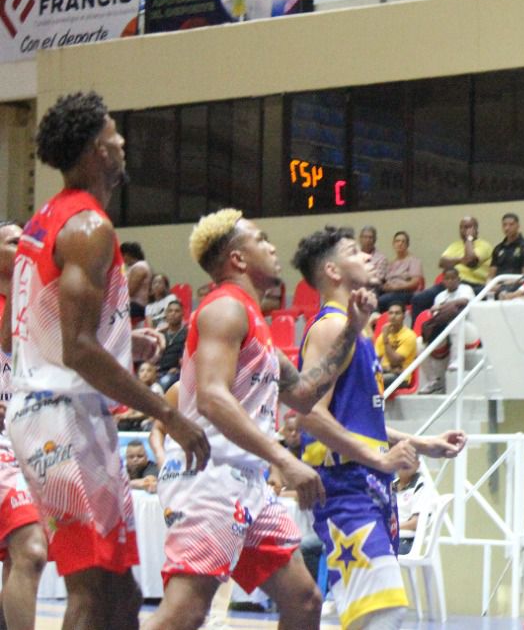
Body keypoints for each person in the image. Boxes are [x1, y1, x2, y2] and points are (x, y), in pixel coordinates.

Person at [7, 92, 209, 630]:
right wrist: (166, 414)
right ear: (98, 149)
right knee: (94, 587)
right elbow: (77, 349)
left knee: (120, 592)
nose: (122, 143)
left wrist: (124, 338)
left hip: (53, 408)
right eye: (115, 135)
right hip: (61, 416)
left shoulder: (44, 220)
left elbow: (27, 327)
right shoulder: (89, 228)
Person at [142, 210, 370, 630]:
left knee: (303, 601)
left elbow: (303, 393)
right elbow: (212, 398)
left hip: (246, 482)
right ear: (238, 260)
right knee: (186, 612)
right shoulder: (224, 309)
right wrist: (283, 459)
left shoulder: (253, 319)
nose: (272, 246)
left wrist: (352, 328)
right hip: (207, 476)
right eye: (261, 239)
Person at [291, 225, 467, 629]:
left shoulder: (359, 329)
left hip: (366, 484)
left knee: (372, 615)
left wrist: (421, 443)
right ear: (333, 272)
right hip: (344, 486)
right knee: (380, 614)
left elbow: (358, 420)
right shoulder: (331, 327)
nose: (369, 256)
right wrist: (380, 459)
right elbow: (310, 414)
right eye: (355, 251)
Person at [0, 218, 48, 630]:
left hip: (29, 441)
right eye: (15, 242)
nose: (25, 247)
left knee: (20, 556)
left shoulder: (40, 304)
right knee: (31, 550)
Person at [409, 217, 493, 322]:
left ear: (476, 229)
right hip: (450, 282)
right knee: (418, 299)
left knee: (454, 307)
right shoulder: (454, 245)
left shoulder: (484, 245)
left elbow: (471, 261)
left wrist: (469, 239)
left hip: (472, 285)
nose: (465, 230)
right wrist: (462, 260)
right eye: (462, 227)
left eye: (468, 227)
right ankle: (418, 335)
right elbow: (442, 263)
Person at [421, 268, 478, 395]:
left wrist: (443, 306)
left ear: (459, 279)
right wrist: (443, 307)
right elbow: (437, 315)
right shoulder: (439, 296)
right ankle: (433, 381)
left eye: (453, 278)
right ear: (443, 281)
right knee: (419, 343)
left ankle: (456, 360)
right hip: (446, 329)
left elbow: (464, 301)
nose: (450, 281)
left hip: (469, 329)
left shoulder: (465, 289)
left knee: (456, 320)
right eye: (447, 278)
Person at [489, 212, 524, 295]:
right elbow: (491, 274)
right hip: (497, 284)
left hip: (516, 285)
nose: (507, 228)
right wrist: (489, 284)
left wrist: (503, 285)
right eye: (504, 225)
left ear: (518, 226)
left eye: (511, 225)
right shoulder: (498, 248)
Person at [377, 231, 424, 312]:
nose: (400, 243)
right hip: (389, 292)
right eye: (397, 241)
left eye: (403, 241)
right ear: (393, 244)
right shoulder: (391, 263)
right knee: (369, 298)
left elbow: (415, 283)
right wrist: (384, 286)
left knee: (379, 301)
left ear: (407, 245)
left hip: (405, 293)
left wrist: (396, 288)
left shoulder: (413, 261)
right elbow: (385, 280)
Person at [374, 302, 418, 387]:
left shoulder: (409, 336)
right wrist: (385, 368)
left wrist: (386, 340)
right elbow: (375, 360)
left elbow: (395, 361)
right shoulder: (383, 336)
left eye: (397, 313)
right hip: (386, 371)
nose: (393, 316)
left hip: (402, 377)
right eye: (390, 313)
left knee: (375, 382)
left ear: (403, 316)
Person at [155, 300, 188, 390]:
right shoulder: (160, 334)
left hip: (174, 372)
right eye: (170, 311)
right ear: (166, 314)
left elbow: (187, 357)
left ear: (182, 314)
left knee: (163, 384)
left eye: (177, 311)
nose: (173, 314)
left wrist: (178, 368)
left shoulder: (186, 334)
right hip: (157, 370)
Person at [359, 225, 390, 292]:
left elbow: (377, 280)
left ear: (375, 240)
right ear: (360, 239)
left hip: (372, 289)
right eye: (365, 237)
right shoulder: (354, 255)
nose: (367, 240)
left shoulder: (381, 258)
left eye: (370, 237)